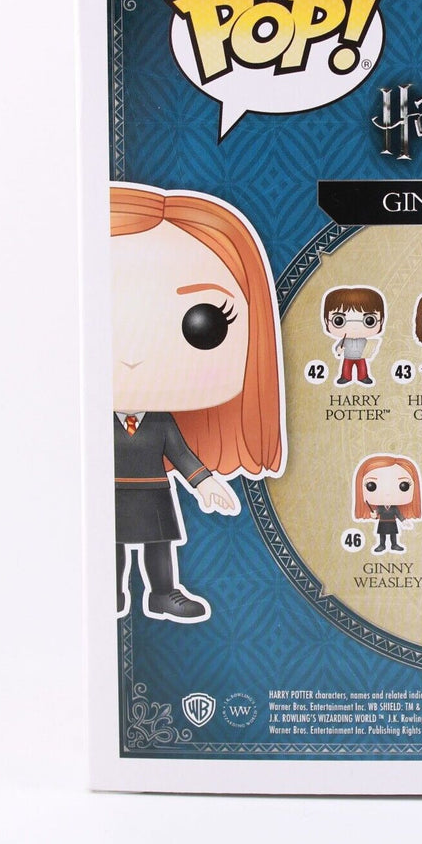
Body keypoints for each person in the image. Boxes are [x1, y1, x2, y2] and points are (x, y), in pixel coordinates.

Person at [111, 184, 284, 622]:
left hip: (153, 490)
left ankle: (163, 593)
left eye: (203, 325)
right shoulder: (89, 422)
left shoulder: (160, 419)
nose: (134, 354)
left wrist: (204, 483)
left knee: (160, 545)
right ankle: (108, 593)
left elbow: (181, 453)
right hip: (107, 493)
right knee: (110, 547)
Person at [353, 455, 422, 554]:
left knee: (393, 535)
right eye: (371, 486)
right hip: (382, 522)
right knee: (382, 535)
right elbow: (376, 513)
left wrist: (404, 521)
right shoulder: (380, 508)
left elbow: (398, 514)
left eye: (404, 486)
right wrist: (374, 515)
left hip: (392, 522)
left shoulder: (394, 508)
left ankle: (394, 545)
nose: (387, 493)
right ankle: (382, 545)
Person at [322, 285, 385, 386]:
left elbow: (369, 348)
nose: (354, 327)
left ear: (381, 321)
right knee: (346, 368)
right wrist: (339, 350)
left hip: (361, 357)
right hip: (348, 357)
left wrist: (370, 351)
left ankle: (363, 377)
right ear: (326, 321)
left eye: (369, 320)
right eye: (339, 320)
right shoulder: (344, 340)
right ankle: (345, 377)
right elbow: (338, 348)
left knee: (362, 368)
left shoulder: (363, 340)